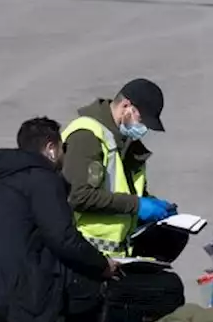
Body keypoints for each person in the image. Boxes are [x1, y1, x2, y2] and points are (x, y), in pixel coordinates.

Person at [0, 118, 117, 322]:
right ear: (51, 148)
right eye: (63, 148)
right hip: (13, 284)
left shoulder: (1, 176)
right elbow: (63, 238)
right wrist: (101, 265)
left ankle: (10, 320)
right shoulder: (43, 179)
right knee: (84, 276)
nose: (64, 155)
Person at [61, 78, 176, 257]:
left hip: (117, 256)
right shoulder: (86, 136)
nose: (144, 128)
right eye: (141, 119)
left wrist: (154, 205)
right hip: (84, 254)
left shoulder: (126, 143)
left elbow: (124, 190)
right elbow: (79, 195)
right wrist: (137, 205)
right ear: (126, 106)